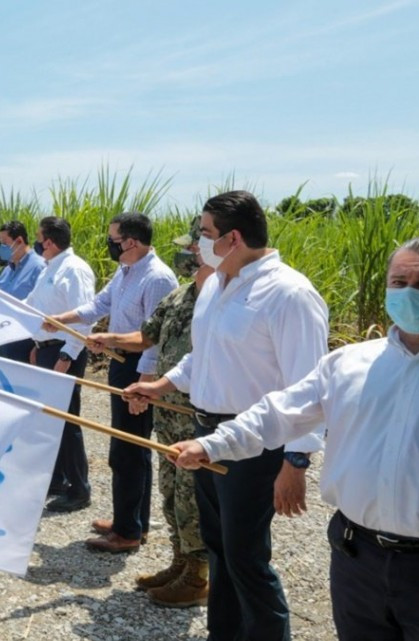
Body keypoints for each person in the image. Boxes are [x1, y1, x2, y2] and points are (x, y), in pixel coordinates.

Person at [172, 237, 419, 641]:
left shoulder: (290, 294)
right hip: (358, 560)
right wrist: (210, 445)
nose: (409, 294)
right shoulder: (350, 364)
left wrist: (295, 464)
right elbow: (279, 411)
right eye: (399, 282)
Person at [125, 190, 327, 641]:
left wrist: (296, 461)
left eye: (205, 233)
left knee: (246, 557)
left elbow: (310, 386)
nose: (198, 242)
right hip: (204, 431)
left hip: (254, 442)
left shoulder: (289, 294)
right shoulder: (215, 283)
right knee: (217, 548)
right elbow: (205, 355)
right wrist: (162, 384)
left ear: (233, 238)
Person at [86, 217, 211, 606]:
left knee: (194, 495)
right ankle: (180, 561)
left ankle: (198, 575)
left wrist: (150, 381)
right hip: (168, 409)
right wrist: (110, 337)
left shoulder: (219, 299)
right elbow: (147, 336)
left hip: (197, 412)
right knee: (172, 490)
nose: (188, 254)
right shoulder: (182, 295)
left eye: (194, 247)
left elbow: (200, 357)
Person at [45, 212, 178, 553]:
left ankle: (128, 532)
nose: (110, 244)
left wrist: (145, 383)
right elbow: (99, 303)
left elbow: (155, 339)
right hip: (123, 364)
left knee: (129, 450)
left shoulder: (158, 278)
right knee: (129, 448)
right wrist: (64, 319)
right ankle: (132, 521)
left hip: (139, 368)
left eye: (113, 238)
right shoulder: (126, 271)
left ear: (131, 242)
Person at [22, 217, 96, 513]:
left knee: (68, 421)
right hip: (46, 351)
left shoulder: (75, 270)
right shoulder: (50, 268)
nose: (37, 243)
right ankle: (57, 479)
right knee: (51, 419)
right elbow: (33, 307)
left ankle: (79, 489)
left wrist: (67, 357)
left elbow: (85, 319)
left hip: (64, 353)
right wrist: (36, 345)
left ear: (49, 241)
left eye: (39, 238)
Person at [0, 220, 45, 363]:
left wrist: (37, 345)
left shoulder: (39, 267)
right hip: (5, 338)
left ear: (19, 241)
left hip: (26, 342)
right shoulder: (7, 270)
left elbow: (43, 308)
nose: (1, 247)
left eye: (4, 243)